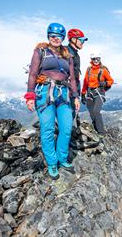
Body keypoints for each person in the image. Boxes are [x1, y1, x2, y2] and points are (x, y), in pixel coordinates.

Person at [24, 22, 80, 180]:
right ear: (48, 36)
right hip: (44, 93)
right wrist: (30, 96)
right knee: (47, 129)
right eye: (53, 36)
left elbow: (72, 78)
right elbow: (33, 74)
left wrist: (75, 96)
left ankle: (62, 158)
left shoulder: (67, 55)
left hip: (63, 93)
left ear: (63, 38)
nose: (56, 38)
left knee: (66, 128)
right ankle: (52, 163)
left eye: (59, 36)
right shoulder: (40, 51)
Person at [81, 53, 114, 139]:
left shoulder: (103, 71)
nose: (96, 61)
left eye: (98, 59)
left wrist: (105, 83)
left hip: (99, 92)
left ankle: (101, 132)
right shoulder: (89, 70)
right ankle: (95, 127)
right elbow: (85, 82)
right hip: (89, 92)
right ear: (91, 60)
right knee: (91, 111)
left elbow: (111, 80)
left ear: (100, 59)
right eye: (94, 59)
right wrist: (83, 93)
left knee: (96, 111)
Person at [67, 29, 87, 123]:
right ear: (73, 39)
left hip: (74, 88)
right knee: (68, 114)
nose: (83, 42)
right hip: (68, 89)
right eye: (81, 40)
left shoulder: (76, 54)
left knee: (72, 113)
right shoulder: (66, 52)